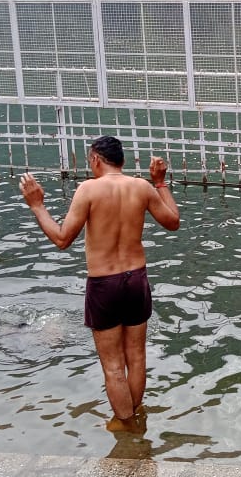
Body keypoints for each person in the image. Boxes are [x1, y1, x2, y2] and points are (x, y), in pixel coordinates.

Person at [19, 136, 179, 431]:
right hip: (136, 279)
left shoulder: (88, 189)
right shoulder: (142, 187)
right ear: (122, 161)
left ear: (95, 159)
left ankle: (128, 427)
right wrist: (160, 182)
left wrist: (37, 205)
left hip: (105, 283)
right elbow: (173, 222)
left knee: (114, 366)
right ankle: (133, 419)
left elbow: (62, 239)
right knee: (137, 357)